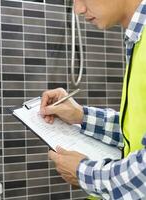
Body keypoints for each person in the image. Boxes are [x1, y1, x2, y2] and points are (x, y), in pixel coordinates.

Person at [39, 0, 146, 199]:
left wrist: (84, 174)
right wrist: (82, 116)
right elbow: (138, 130)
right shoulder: (139, 38)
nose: (78, 9)